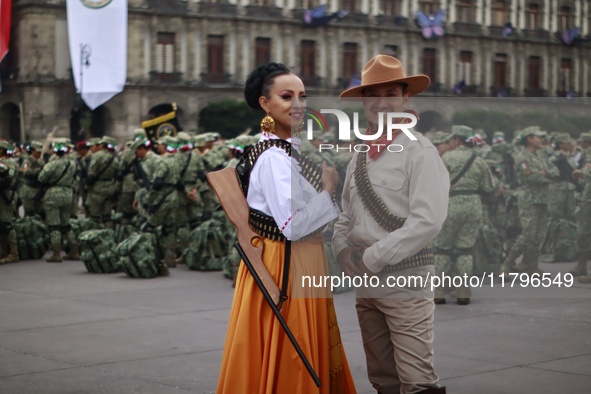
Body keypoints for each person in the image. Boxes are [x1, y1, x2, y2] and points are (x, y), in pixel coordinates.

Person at [217, 62, 357, 393]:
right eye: (286, 96)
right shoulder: (273, 159)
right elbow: (292, 226)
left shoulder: (283, 152)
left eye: (303, 96)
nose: (298, 104)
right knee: (294, 351)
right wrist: (327, 191)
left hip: (296, 261)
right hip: (285, 265)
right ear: (265, 104)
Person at [332, 54, 449, 394]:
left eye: (390, 94)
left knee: (416, 380)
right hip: (366, 285)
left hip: (405, 281)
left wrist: (371, 258)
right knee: (382, 378)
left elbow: (428, 220)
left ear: (405, 98)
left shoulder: (419, 151)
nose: (381, 103)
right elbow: (346, 214)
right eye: (372, 95)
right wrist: (341, 250)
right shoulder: (361, 155)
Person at [433, 125, 496, 305]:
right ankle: (463, 291)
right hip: (473, 205)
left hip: (449, 204)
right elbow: (488, 188)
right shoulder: (479, 160)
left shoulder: (446, 158)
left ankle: (439, 291)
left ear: (456, 140)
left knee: (443, 248)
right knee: (465, 249)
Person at [500, 126, 556, 275]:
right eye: (538, 137)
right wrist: (546, 174)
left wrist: (546, 173)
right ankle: (508, 263)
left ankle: (533, 266)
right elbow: (531, 177)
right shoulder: (521, 157)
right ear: (530, 139)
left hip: (543, 197)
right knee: (528, 234)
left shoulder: (542, 155)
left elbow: (556, 172)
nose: (542, 140)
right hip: (529, 198)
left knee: (539, 234)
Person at [38, 139, 80, 262]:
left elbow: (41, 178)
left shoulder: (52, 164)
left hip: (53, 194)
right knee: (66, 224)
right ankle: (74, 250)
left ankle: (56, 253)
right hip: (68, 193)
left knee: (54, 225)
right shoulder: (72, 163)